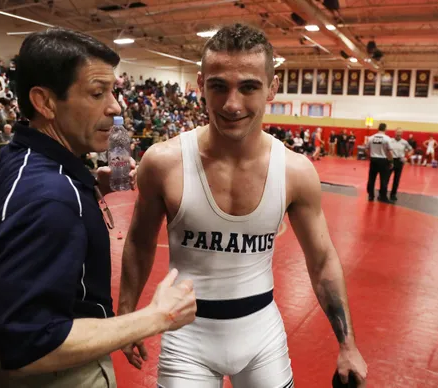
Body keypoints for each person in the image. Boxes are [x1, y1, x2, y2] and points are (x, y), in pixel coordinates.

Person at [118, 23, 368, 388]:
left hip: (261, 337)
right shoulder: (163, 162)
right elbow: (140, 242)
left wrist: (348, 344)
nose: (232, 104)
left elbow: (322, 259)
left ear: (272, 89)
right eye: (218, 86)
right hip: (186, 337)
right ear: (201, 84)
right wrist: (126, 315)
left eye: (249, 87)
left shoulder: (295, 171)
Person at [0, 28, 196, 388]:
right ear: (45, 102)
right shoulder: (49, 196)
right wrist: (156, 317)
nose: (116, 106)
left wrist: (92, 185)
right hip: (60, 372)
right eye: (97, 93)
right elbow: (30, 345)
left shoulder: (17, 158)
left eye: (113, 91)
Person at [365, 123, 394, 203]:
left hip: (374, 159)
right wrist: (391, 161)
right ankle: (383, 196)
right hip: (383, 160)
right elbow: (389, 151)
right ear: (385, 129)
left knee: (371, 178)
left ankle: (371, 195)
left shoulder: (371, 138)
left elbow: (366, 149)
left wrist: (370, 157)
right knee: (384, 179)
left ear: (378, 128)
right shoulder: (387, 138)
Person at [389, 128, 413, 201]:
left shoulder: (404, 142)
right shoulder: (390, 141)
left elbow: (411, 150)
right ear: (395, 133)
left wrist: (406, 157)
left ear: (402, 134)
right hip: (391, 160)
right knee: (386, 177)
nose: (398, 134)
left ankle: (393, 195)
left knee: (396, 179)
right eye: (397, 132)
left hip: (399, 161)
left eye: (400, 133)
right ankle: (382, 193)